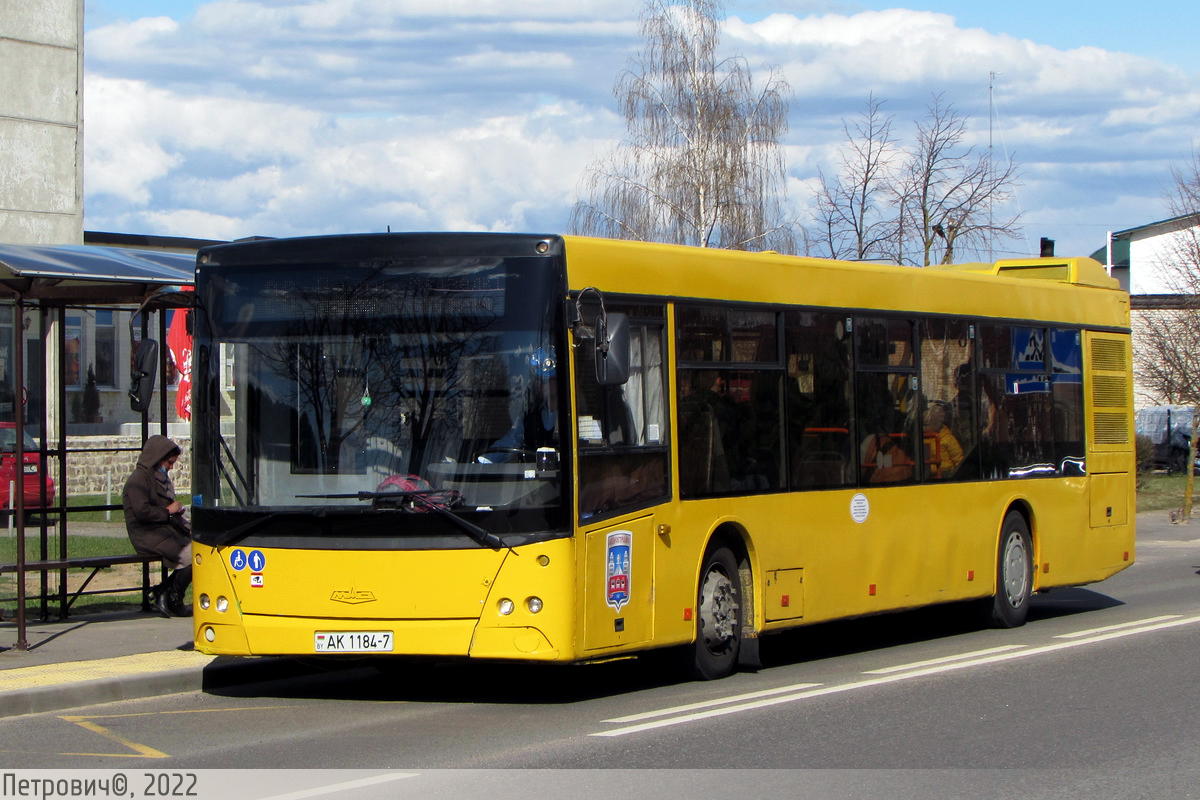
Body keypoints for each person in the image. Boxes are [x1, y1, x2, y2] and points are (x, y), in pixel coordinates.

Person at [123, 435, 192, 617]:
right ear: (158, 458)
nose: (171, 467)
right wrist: (168, 510)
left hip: (160, 532)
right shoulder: (139, 479)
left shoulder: (156, 479)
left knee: (199, 549)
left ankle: (163, 591)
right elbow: (142, 511)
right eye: (169, 462)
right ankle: (173, 598)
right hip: (147, 535)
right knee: (193, 553)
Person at [924, 401, 964, 478]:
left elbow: (959, 459)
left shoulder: (947, 438)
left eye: (926, 425)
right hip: (928, 474)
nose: (924, 428)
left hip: (946, 473)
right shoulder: (920, 439)